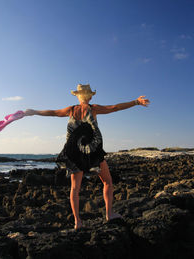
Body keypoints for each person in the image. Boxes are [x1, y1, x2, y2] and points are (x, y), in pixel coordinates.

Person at [25, 84, 150, 229]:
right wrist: (135, 102)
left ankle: (77, 222)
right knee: (108, 182)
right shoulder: (93, 108)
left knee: (74, 188)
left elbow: (52, 112)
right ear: (90, 96)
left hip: (74, 153)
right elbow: (115, 107)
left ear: (78, 96)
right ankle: (109, 214)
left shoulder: (70, 110)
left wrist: (33, 111)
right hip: (92, 152)